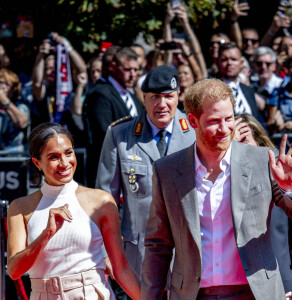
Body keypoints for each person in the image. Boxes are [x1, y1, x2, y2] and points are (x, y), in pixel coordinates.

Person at [142, 78, 292, 299]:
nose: (224, 129)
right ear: (192, 121)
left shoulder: (261, 160)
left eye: (229, 119)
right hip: (193, 294)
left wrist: (289, 188)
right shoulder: (167, 170)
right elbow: (158, 245)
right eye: (214, 121)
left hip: (256, 293)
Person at [7, 122, 141, 300]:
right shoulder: (20, 208)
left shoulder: (101, 201)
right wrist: (47, 234)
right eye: (54, 157)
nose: (64, 163)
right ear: (37, 162)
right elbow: (14, 271)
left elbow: (121, 268)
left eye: (68, 153)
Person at [96, 65, 196, 294]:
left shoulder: (194, 131)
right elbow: (105, 200)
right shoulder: (120, 135)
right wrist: (106, 251)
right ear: (143, 98)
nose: (162, 105)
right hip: (139, 252)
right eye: (155, 98)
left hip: (189, 250)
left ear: (178, 95)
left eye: (168, 97)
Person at [234, 113, 292, 297]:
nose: (240, 149)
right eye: (234, 144)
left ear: (259, 143)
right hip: (231, 284)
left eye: (244, 141)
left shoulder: (273, 168)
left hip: (277, 280)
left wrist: (289, 189)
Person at [83, 47, 144, 187]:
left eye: (136, 70)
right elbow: (104, 133)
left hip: (133, 173)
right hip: (109, 173)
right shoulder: (100, 94)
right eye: (128, 69)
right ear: (114, 67)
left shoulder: (132, 97)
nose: (132, 74)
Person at [217, 42, 261, 120]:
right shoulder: (211, 90)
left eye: (233, 59)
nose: (229, 63)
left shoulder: (248, 89)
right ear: (218, 62)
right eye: (224, 60)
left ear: (241, 63)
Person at [0, 68, 29, 151]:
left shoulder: (21, 106)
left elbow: (22, 123)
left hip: (14, 156)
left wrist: (4, 101)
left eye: (7, 83)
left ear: (14, 88)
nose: (3, 86)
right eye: (0, 82)